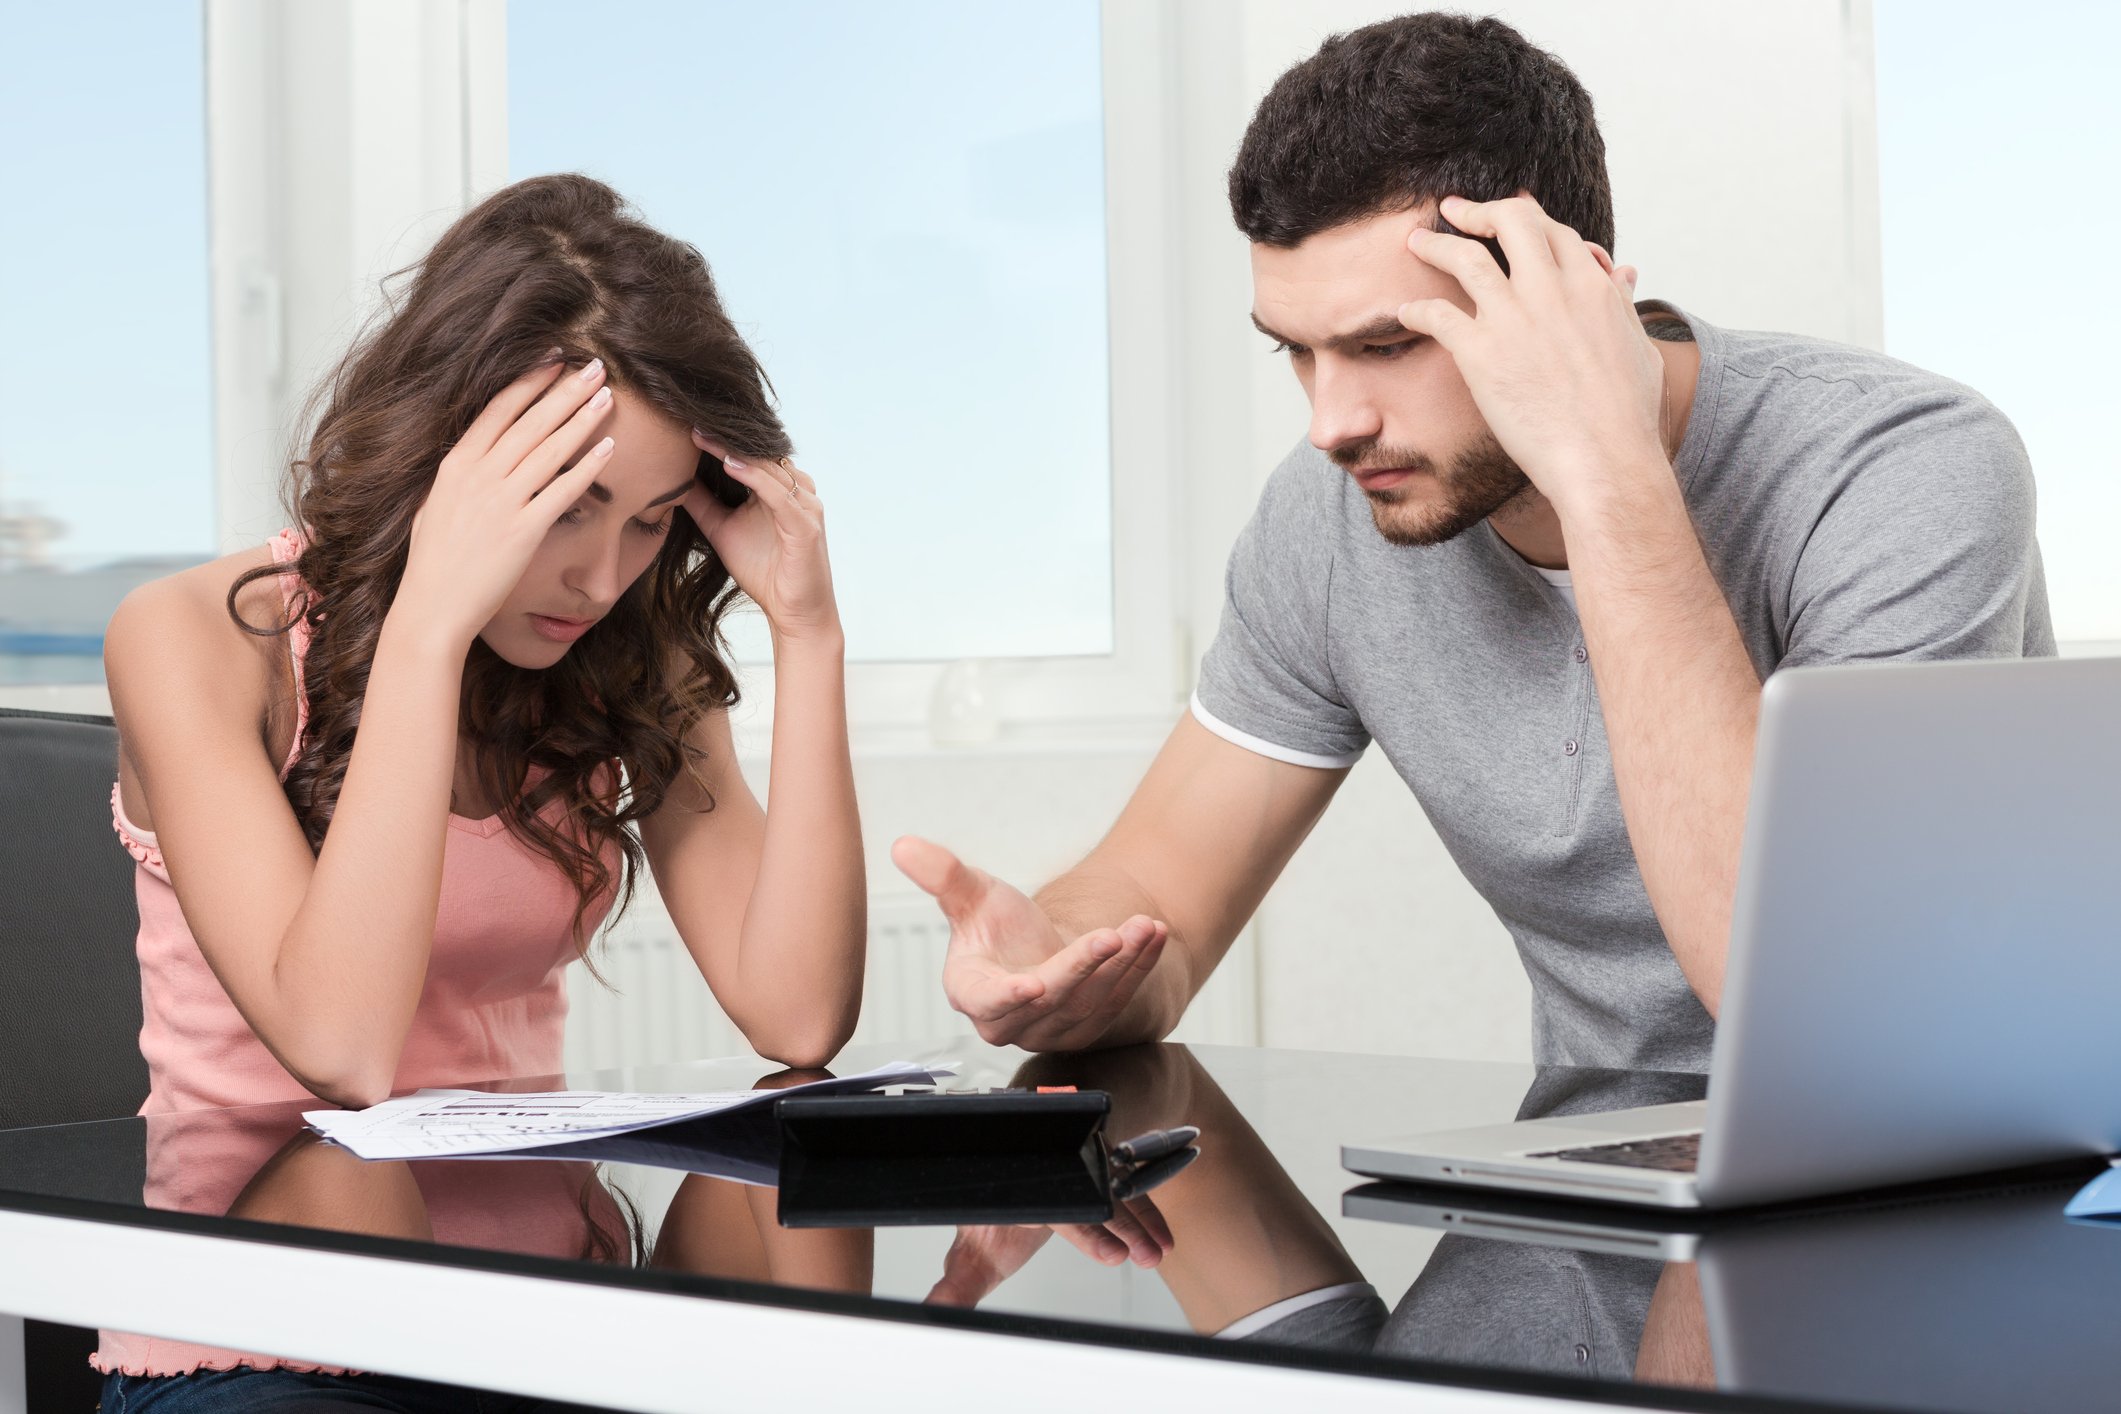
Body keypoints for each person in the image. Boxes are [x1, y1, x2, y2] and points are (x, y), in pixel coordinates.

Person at [893, 12, 2052, 1071]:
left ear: (1569, 288)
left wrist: (1603, 470)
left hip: (1929, 1194)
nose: (1331, 422)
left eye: (1390, 345)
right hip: (1590, 1192)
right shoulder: (1331, 514)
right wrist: (1062, 953)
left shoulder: (1906, 469)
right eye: (1294, 349)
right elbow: (1159, 893)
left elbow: (1809, 1004)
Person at [94, 173, 865, 1398]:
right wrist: (429, 623)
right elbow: (341, 1047)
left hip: (543, 1329)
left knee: (798, 1165)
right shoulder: (189, 639)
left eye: (651, 523)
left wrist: (809, 632)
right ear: (447, 458)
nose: (598, 576)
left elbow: (800, 1017)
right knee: (353, 1162)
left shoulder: (620, 655)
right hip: (276, 1321)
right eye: (566, 508)